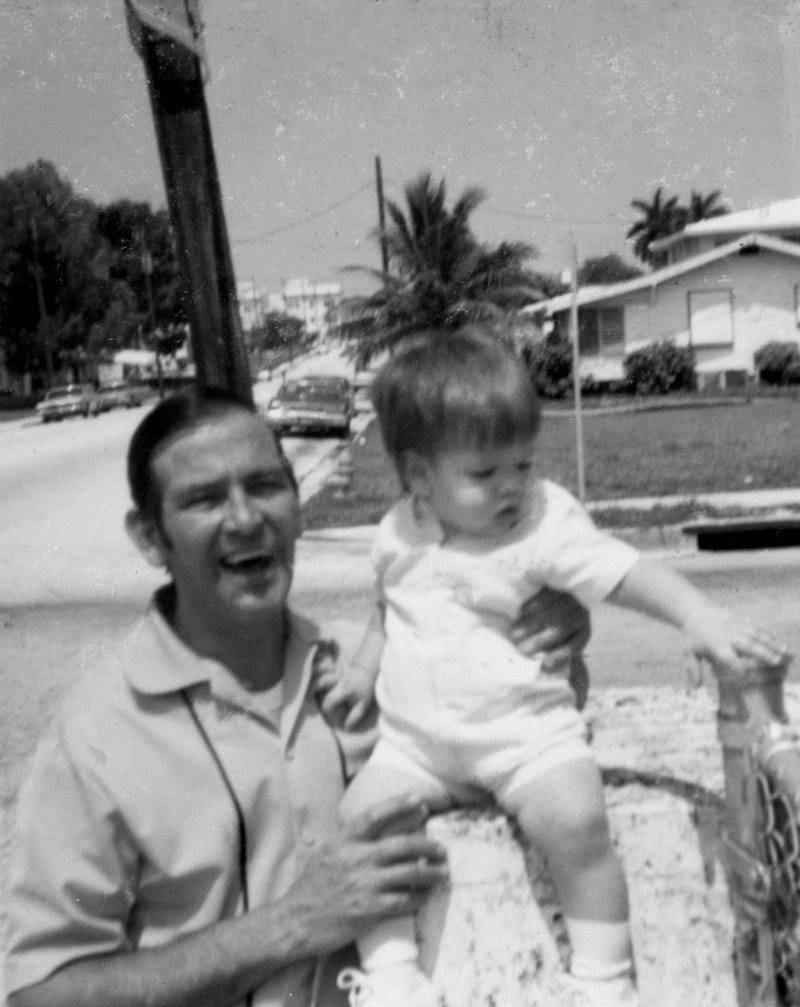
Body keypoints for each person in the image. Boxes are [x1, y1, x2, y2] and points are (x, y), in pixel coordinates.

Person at [4, 385, 589, 1007]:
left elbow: (527, 743)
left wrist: (551, 639)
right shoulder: (98, 735)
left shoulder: (376, 670)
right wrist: (290, 925)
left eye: (265, 486)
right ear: (151, 539)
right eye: (204, 499)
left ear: (298, 503)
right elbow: (45, 993)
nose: (246, 519)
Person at [316, 328, 789, 1007]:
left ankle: (602, 979)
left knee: (575, 819)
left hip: (524, 736)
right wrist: (364, 671)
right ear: (420, 476)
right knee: (362, 814)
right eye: (485, 474)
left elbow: (625, 572)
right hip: (416, 745)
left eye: (522, 464)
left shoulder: (541, 524)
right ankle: (391, 975)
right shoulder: (397, 527)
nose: (511, 486)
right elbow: (388, 606)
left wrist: (697, 617)